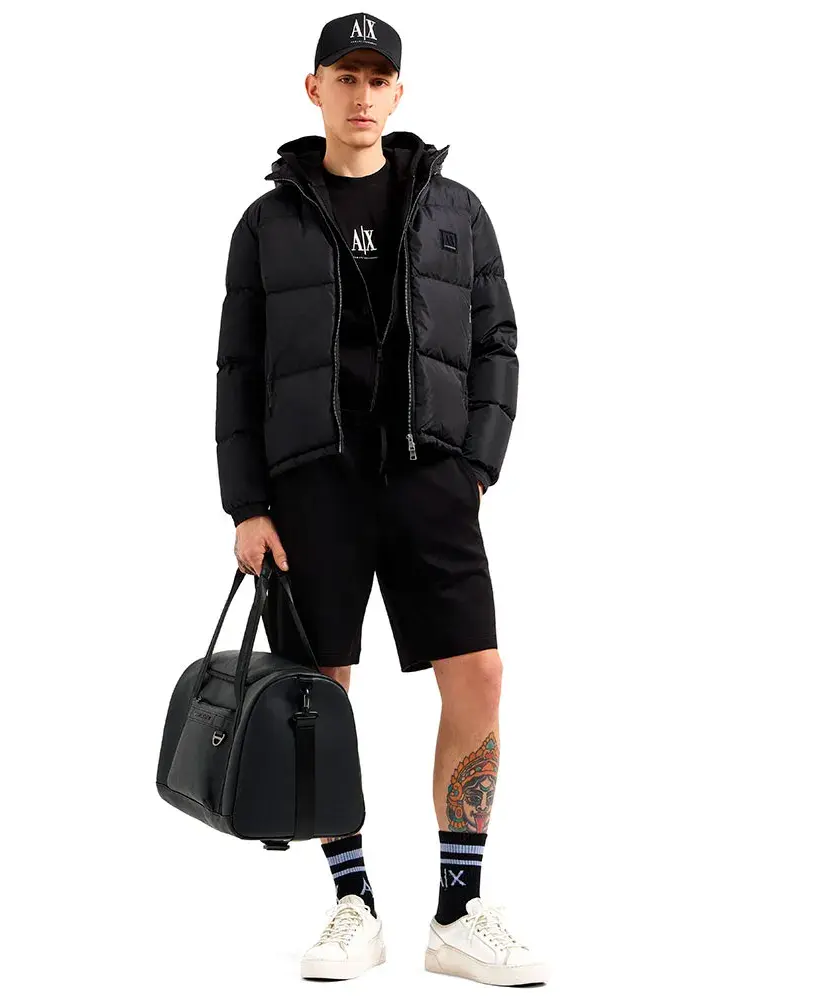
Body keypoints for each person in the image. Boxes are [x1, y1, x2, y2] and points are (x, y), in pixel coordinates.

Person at [214, 11, 549, 987]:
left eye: (377, 79)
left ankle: (458, 908)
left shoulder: (456, 211)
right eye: (344, 77)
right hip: (311, 481)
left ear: (398, 92)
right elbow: (237, 370)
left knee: (478, 672)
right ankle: (351, 900)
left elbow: (496, 340)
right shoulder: (266, 223)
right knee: (321, 691)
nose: (361, 95)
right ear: (313, 88)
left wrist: (477, 464)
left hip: (429, 474)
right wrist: (245, 505)